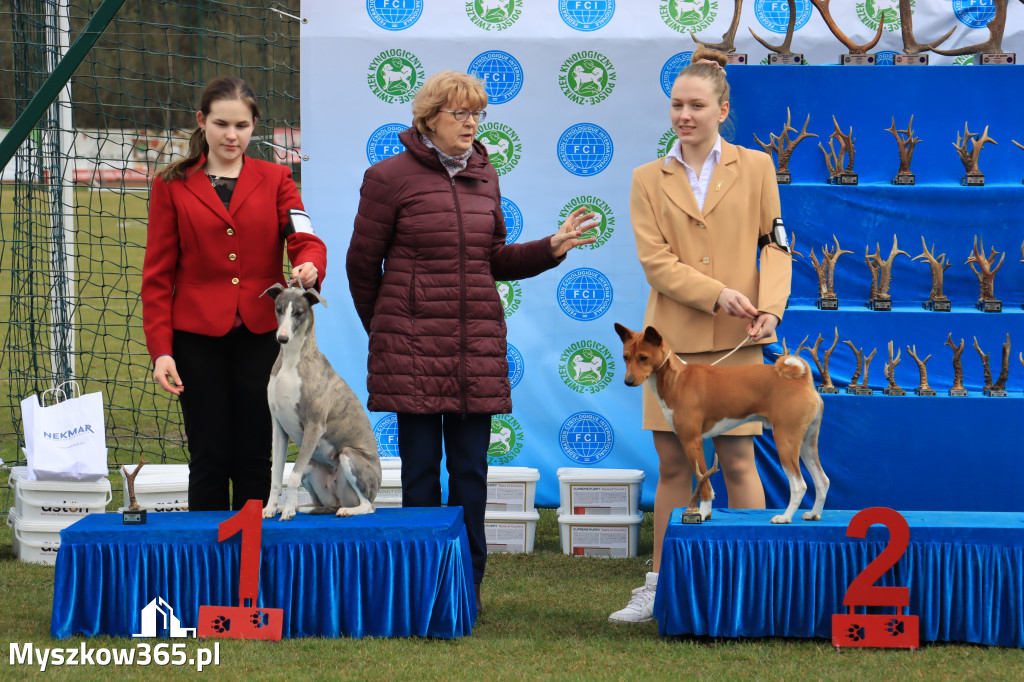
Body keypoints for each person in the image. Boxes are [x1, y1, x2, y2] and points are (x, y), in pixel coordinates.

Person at [347, 70, 596, 617]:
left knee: (471, 476)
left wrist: (550, 248)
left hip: (475, 351)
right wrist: (389, 330)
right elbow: (361, 267)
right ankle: (421, 588)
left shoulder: (486, 176)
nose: (471, 123)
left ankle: (467, 589)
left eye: (477, 113)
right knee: (418, 477)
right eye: (459, 113)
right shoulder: (387, 177)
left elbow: (495, 260)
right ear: (429, 118)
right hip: (412, 352)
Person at [608, 48, 792, 623]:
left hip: (740, 341)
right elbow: (655, 263)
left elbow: (777, 244)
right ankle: (658, 586)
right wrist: (717, 293)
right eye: (676, 105)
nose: (684, 115)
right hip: (671, 350)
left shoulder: (758, 167)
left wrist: (773, 308)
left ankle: (754, 585)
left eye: (696, 105)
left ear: (722, 108)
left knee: (739, 463)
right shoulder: (646, 179)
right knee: (672, 467)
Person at [141, 76, 327, 512]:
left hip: (262, 336)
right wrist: (161, 351)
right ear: (201, 122)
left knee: (255, 454)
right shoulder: (171, 184)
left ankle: (252, 559)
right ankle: (206, 567)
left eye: (242, 125)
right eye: (222, 123)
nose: (231, 135)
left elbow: (303, 235)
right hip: (194, 339)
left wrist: (310, 262)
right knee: (208, 456)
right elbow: (157, 276)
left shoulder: (277, 178)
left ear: (254, 126)